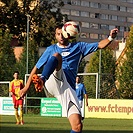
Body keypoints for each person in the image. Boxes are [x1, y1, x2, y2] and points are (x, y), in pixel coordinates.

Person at [19, 22, 118, 133]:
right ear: (55, 35)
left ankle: (43, 79)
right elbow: (36, 68)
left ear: (68, 34)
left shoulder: (79, 47)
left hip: (67, 88)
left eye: (62, 33)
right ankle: (42, 79)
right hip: (52, 80)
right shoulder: (51, 49)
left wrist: (110, 38)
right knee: (57, 56)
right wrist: (26, 87)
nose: (60, 36)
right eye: (58, 34)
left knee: (77, 126)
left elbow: (99, 45)